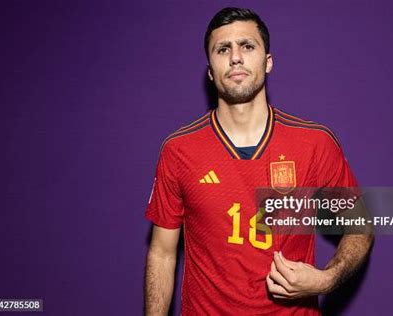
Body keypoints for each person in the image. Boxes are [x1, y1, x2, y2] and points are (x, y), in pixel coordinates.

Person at [145, 7, 373, 315]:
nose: (235, 57)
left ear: (268, 63)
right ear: (211, 71)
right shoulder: (179, 150)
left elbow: (361, 226)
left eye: (247, 46)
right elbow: (162, 252)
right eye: (223, 49)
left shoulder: (314, 143)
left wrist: (327, 279)